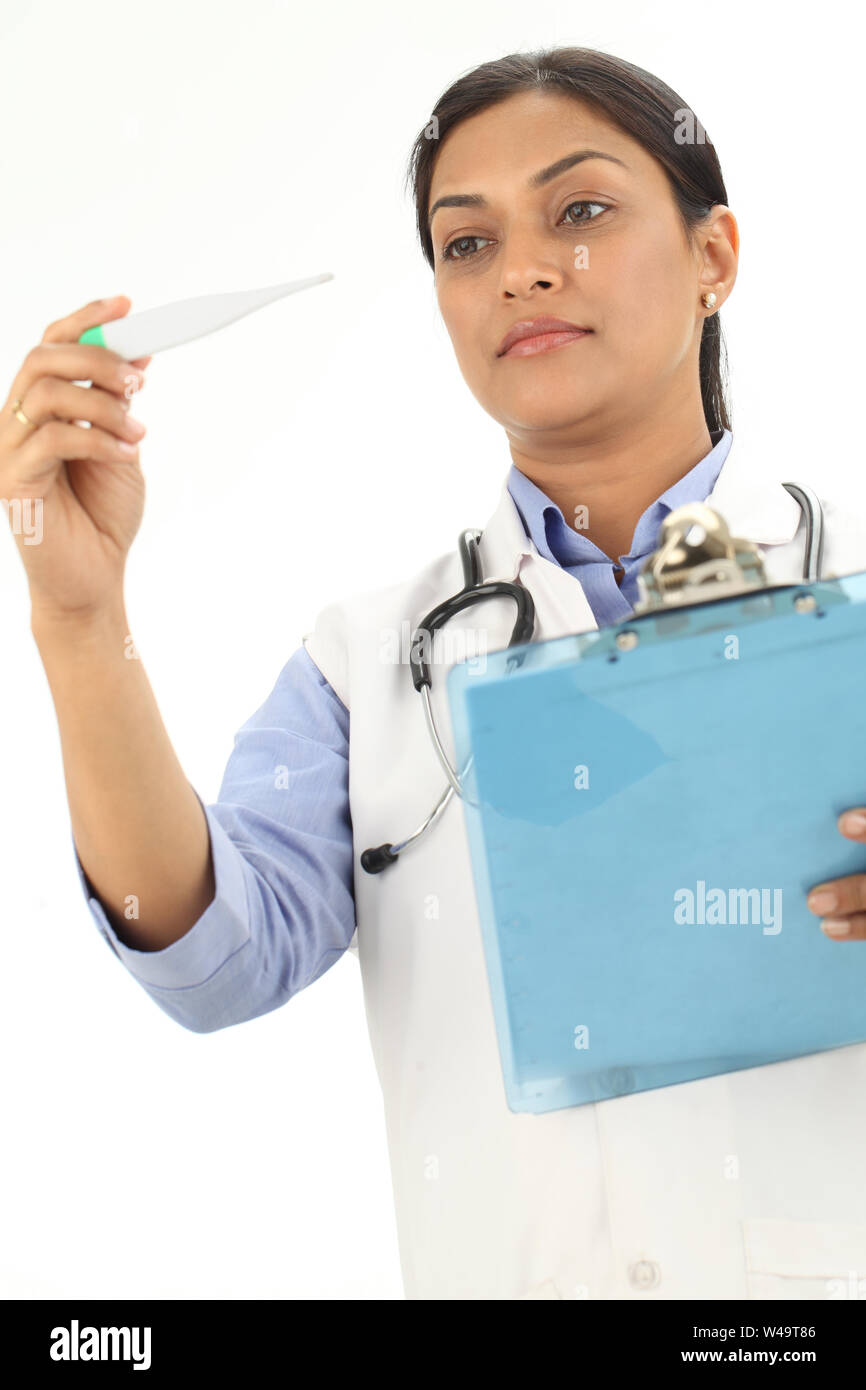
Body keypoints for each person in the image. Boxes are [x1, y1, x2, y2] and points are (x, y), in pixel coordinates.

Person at [3, 46, 866, 1302]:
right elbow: (209, 958)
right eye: (464, 244)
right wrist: (80, 620)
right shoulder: (367, 664)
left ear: (711, 259)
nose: (519, 267)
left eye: (579, 211)